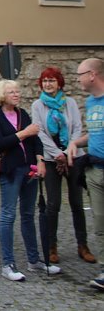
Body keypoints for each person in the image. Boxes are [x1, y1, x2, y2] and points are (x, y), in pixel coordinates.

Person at [0, 79, 60, 281]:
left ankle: (34, 260)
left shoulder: (23, 113)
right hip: (9, 171)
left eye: (18, 91)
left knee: (28, 214)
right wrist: (24, 133)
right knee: (8, 216)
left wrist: (40, 160)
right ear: (2, 94)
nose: (16, 94)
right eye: (11, 92)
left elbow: (36, 140)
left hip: (29, 170)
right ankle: (7, 264)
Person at [31, 66, 95, 264]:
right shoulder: (38, 105)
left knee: (77, 203)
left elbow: (76, 128)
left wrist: (68, 153)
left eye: (52, 80)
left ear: (59, 83)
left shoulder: (70, 103)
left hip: (73, 157)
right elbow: (40, 132)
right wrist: (57, 154)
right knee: (53, 204)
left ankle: (82, 245)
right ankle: (51, 246)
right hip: (51, 159)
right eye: (45, 81)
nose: (48, 84)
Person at [67, 57, 104, 290]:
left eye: (80, 74)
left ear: (92, 74)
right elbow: (94, 133)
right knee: (100, 222)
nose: (78, 79)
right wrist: (75, 142)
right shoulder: (91, 103)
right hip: (95, 170)